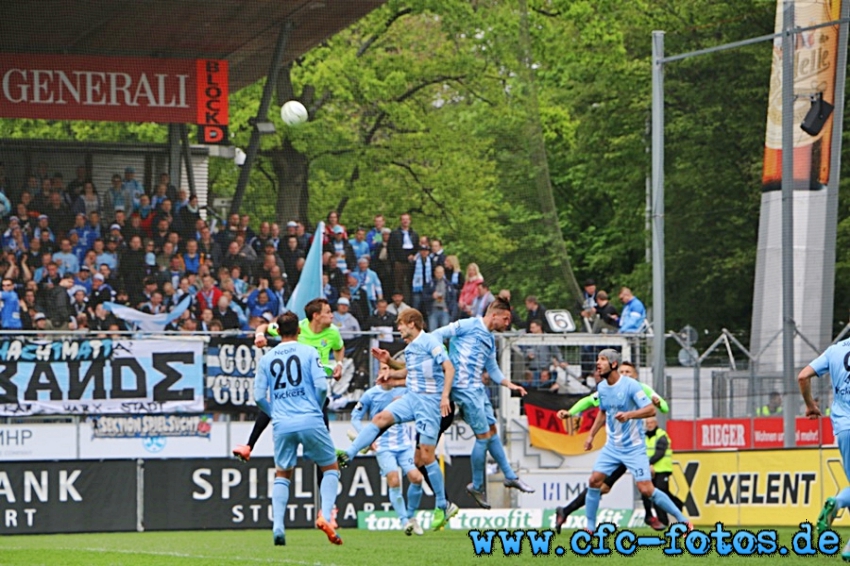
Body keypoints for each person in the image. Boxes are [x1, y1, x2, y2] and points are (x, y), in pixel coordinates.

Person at [339, 308, 455, 531]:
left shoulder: (430, 342)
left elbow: (448, 368)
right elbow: (409, 373)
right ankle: (350, 453)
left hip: (430, 404)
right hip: (412, 398)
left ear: (412, 323)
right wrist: (390, 367)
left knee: (427, 456)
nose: (398, 329)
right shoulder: (410, 349)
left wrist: (444, 396)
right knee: (381, 417)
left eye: (400, 324)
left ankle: (443, 505)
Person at [430, 298, 534, 509]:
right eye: (505, 319)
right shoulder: (468, 325)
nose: (507, 324)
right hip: (463, 389)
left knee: (492, 431)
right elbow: (436, 335)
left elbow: (492, 369)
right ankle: (477, 485)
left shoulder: (490, 340)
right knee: (483, 436)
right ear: (494, 315)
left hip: (477, 390)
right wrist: (443, 361)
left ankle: (510, 475)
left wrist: (508, 384)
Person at [252, 311, 342, 547]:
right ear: (299, 331)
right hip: (310, 417)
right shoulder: (309, 351)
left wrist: (275, 414)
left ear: (278, 331)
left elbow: (258, 397)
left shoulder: (266, 359)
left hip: (282, 423)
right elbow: (322, 386)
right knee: (330, 467)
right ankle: (325, 514)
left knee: (283, 473)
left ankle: (278, 527)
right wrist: (317, 406)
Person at [553, 360, 670, 532]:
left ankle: (566, 510)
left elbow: (664, 407)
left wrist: (659, 404)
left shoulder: (641, 389)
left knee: (621, 485)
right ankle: (567, 510)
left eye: (628, 372)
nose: (625, 375)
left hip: (633, 447)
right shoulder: (609, 390)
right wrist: (570, 413)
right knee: (604, 486)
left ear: (635, 376)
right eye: (622, 371)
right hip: (619, 448)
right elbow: (588, 400)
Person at [580, 350, 690, 533]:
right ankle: (590, 527)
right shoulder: (602, 388)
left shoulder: (631, 386)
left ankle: (682, 520)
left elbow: (650, 410)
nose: (598, 363)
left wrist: (630, 415)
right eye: (597, 359)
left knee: (646, 489)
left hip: (634, 448)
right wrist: (591, 435)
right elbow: (602, 411)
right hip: (612, 447)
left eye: (602, 360)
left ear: (613, 364)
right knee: (594, 480)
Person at [232, 298, 344, 462]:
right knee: (273, 404)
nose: (332, 316)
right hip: (299, 389)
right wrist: (259, 335)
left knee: (321, 450)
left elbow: (339, 348)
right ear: (316, 315)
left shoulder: (333, 332)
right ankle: (249, 445)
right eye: (328, 312)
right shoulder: (298, 327)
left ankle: (319, 473)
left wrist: (339, 364)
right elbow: (263, 326)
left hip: (312, 390)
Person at [350, 363, 426, 536]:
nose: (386, 372)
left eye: (388, 369)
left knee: (416, 478)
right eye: (383, 369)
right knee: (394, 481)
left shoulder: (403, 391)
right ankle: (404, 521)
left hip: (404, 444)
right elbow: (355, 418)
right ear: (378, 373)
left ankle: (411, 517)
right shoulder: (370, 394)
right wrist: (366, 437)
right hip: (384, 446)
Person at [800, 342, 850, 557]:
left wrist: (810, 405)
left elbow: (803, 376)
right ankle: (837, 502)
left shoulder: (835, 350)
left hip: (843, 427)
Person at [642, 416, 685, 529]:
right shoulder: (644, 437)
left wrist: (649, 463)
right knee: (651, 493)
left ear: (656, 423)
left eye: (651, 422)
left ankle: (676, 506)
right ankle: (662, 520)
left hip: (662, 469)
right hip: (649, 470)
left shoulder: (661, 435)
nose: (649, 425)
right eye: (648, 423)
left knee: (661, 492)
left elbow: (660, 452)